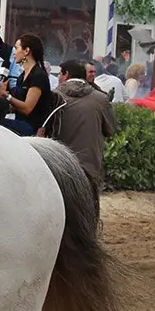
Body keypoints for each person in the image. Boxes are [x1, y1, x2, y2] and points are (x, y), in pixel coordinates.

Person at [44, 59, 116, 217]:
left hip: (59, 164)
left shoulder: (54, 97)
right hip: (90, 165)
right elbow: (110, 130)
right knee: (89, 212)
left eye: (60, 74)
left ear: (66, 75)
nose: (59, 77)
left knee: (62, 209)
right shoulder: (100, 99)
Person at [0, 33, 54, 136]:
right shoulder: (22, 76)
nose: (14, 53)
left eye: (16, 48)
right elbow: (16, 105)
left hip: (31, 127)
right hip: (20, 121)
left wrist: (6, 96)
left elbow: (27, 108)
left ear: (26, 51)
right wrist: (1, 96)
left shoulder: (38, 76)